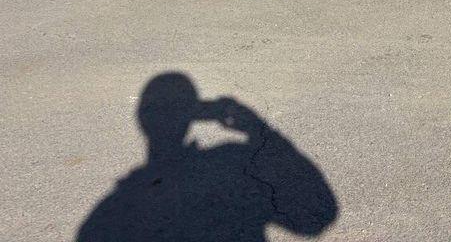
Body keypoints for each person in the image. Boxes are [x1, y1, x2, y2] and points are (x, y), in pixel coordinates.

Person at [77, 72, 337, 242]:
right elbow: (316, 219)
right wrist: (260, 130)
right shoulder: (231, 160)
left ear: (143, 119)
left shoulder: (113, 208)